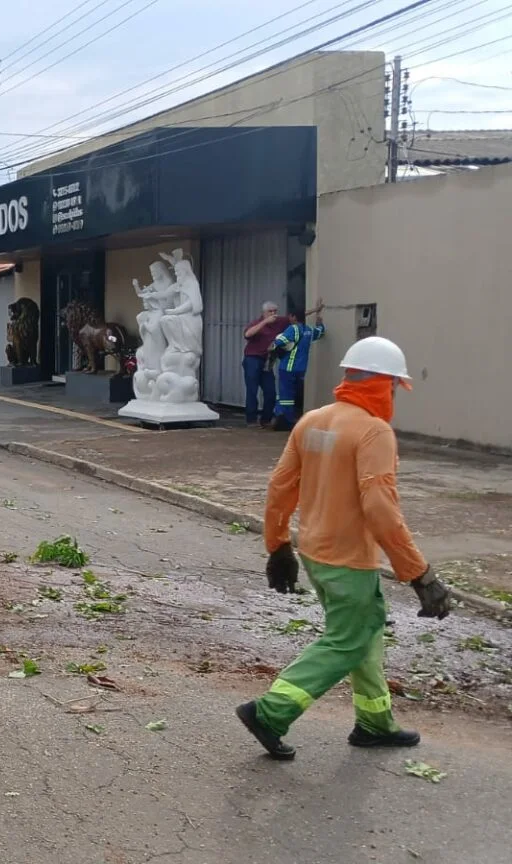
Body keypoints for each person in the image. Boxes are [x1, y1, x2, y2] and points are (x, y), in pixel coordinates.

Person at [236, 336, 451, 760]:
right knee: (346, 641)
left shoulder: (312, 421)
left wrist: (279, 546)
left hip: (316, 552)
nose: (393, 396)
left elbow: (280, 486)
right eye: (393, 387)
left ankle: (375, 723)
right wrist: (419, 573)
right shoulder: (374, 432)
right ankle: (270, 712)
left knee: (363, 634)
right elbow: (381, 510)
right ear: (382, 384)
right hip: (349, 559)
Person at [269, 301, 326, 432]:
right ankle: (281, 416)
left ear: (294, 317)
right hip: (301, 369)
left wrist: (273, 345)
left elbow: (280, 341)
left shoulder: (293, 329)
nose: (289, 318)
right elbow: (320, 332)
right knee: (290, 394)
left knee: (285, 395)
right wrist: (320, 322)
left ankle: (286, 421)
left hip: (288, 367)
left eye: (290, 316)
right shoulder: (309, 330)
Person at [243, 301, 287, 427]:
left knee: (270, 391)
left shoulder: (279, 322)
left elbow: (295, 318)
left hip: (267, 360)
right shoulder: (257, 323)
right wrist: (264, 322)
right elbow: (247, 334)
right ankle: (251, 419)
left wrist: (315, 310)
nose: (273, 314)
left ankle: (266, 419)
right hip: (253, 359)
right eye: (270, 311)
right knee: (252, 390)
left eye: (275, 311)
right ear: (264, 313)